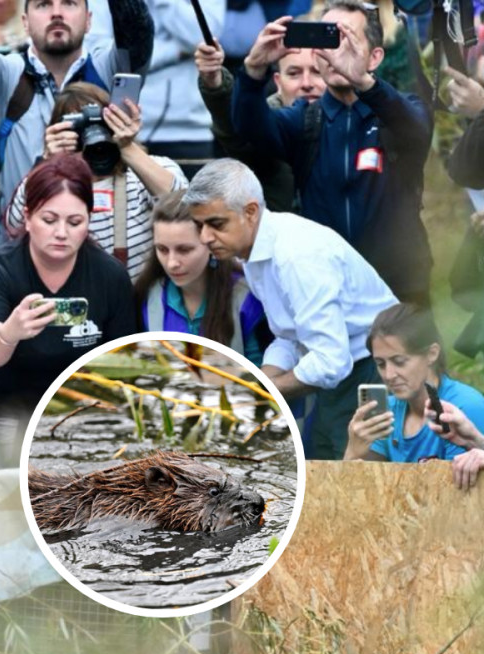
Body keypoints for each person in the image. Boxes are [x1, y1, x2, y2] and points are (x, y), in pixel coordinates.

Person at [184, 158, 397, 459]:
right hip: (344, 371)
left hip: (377, 370)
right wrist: (257, 382)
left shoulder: (297, 256)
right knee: (322, 469)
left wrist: (257, 393)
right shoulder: (253, 250)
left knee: (354, 483)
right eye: (199, 225)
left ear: (250, 212)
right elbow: (288, 336)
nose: (205, 237)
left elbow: (330, 363)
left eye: (216, 224)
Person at [231, 0, 433, 304]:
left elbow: (417, 131)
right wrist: (253, 71)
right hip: (327, 290)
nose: (338, 53)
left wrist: (364, 81)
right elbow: (249, 129)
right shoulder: (304, 120)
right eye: (331, 39)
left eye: (348, 39)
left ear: (375, 56)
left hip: (399, 292)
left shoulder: (400, 110)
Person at [0, 154, 137, 456]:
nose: (61, 233)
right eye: (49, 220)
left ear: (89, 218)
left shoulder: (110, 276)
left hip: (79, 417)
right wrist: (11, 331)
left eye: (75, 222)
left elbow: (122, 367)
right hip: (6, 414)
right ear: (29, 217)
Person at [0, 0, 154, 217]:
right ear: (25, 23)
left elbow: (137, 31)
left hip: (107, 241)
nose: (57, 14)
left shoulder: (111, 71)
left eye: (69, 3)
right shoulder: (4, 78)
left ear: (89, 20)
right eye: (44, 5)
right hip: (22, 241)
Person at [3, 81, 187, 280]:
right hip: (82, 298)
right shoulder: (54, 183)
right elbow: (15, 225)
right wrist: (49, 162)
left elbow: (184, 205)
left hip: (142, 299)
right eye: (81, 128)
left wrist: (126, 147)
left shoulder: (148, 169)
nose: (90, 137)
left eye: (99, 124)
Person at [87, 0, 226, 178]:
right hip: (123, 129)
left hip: (190, 130)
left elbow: (206, 39)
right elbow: (100, 54)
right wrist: (176, 51)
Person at [134, 189, 269, 367]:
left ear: (211, 243)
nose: (172, 263)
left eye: (184, 250)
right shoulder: (149, 296)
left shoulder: (246, 298)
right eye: (162, 249)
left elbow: (262, 377)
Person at [344, 303, 484, 465]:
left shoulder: (464, 407)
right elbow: (362, 484)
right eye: (381, 364)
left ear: (432, 354)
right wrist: (353, 450)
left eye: (399, 362)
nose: (389, 375)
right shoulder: (387, 411)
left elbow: (457, 486)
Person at [195, 40, 326, 211]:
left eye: (317, 72)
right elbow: (236, 132)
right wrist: (214, 81)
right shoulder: (260, 127)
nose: (306, 83)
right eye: (294, 73)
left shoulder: (357, 121)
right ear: (278, 82)